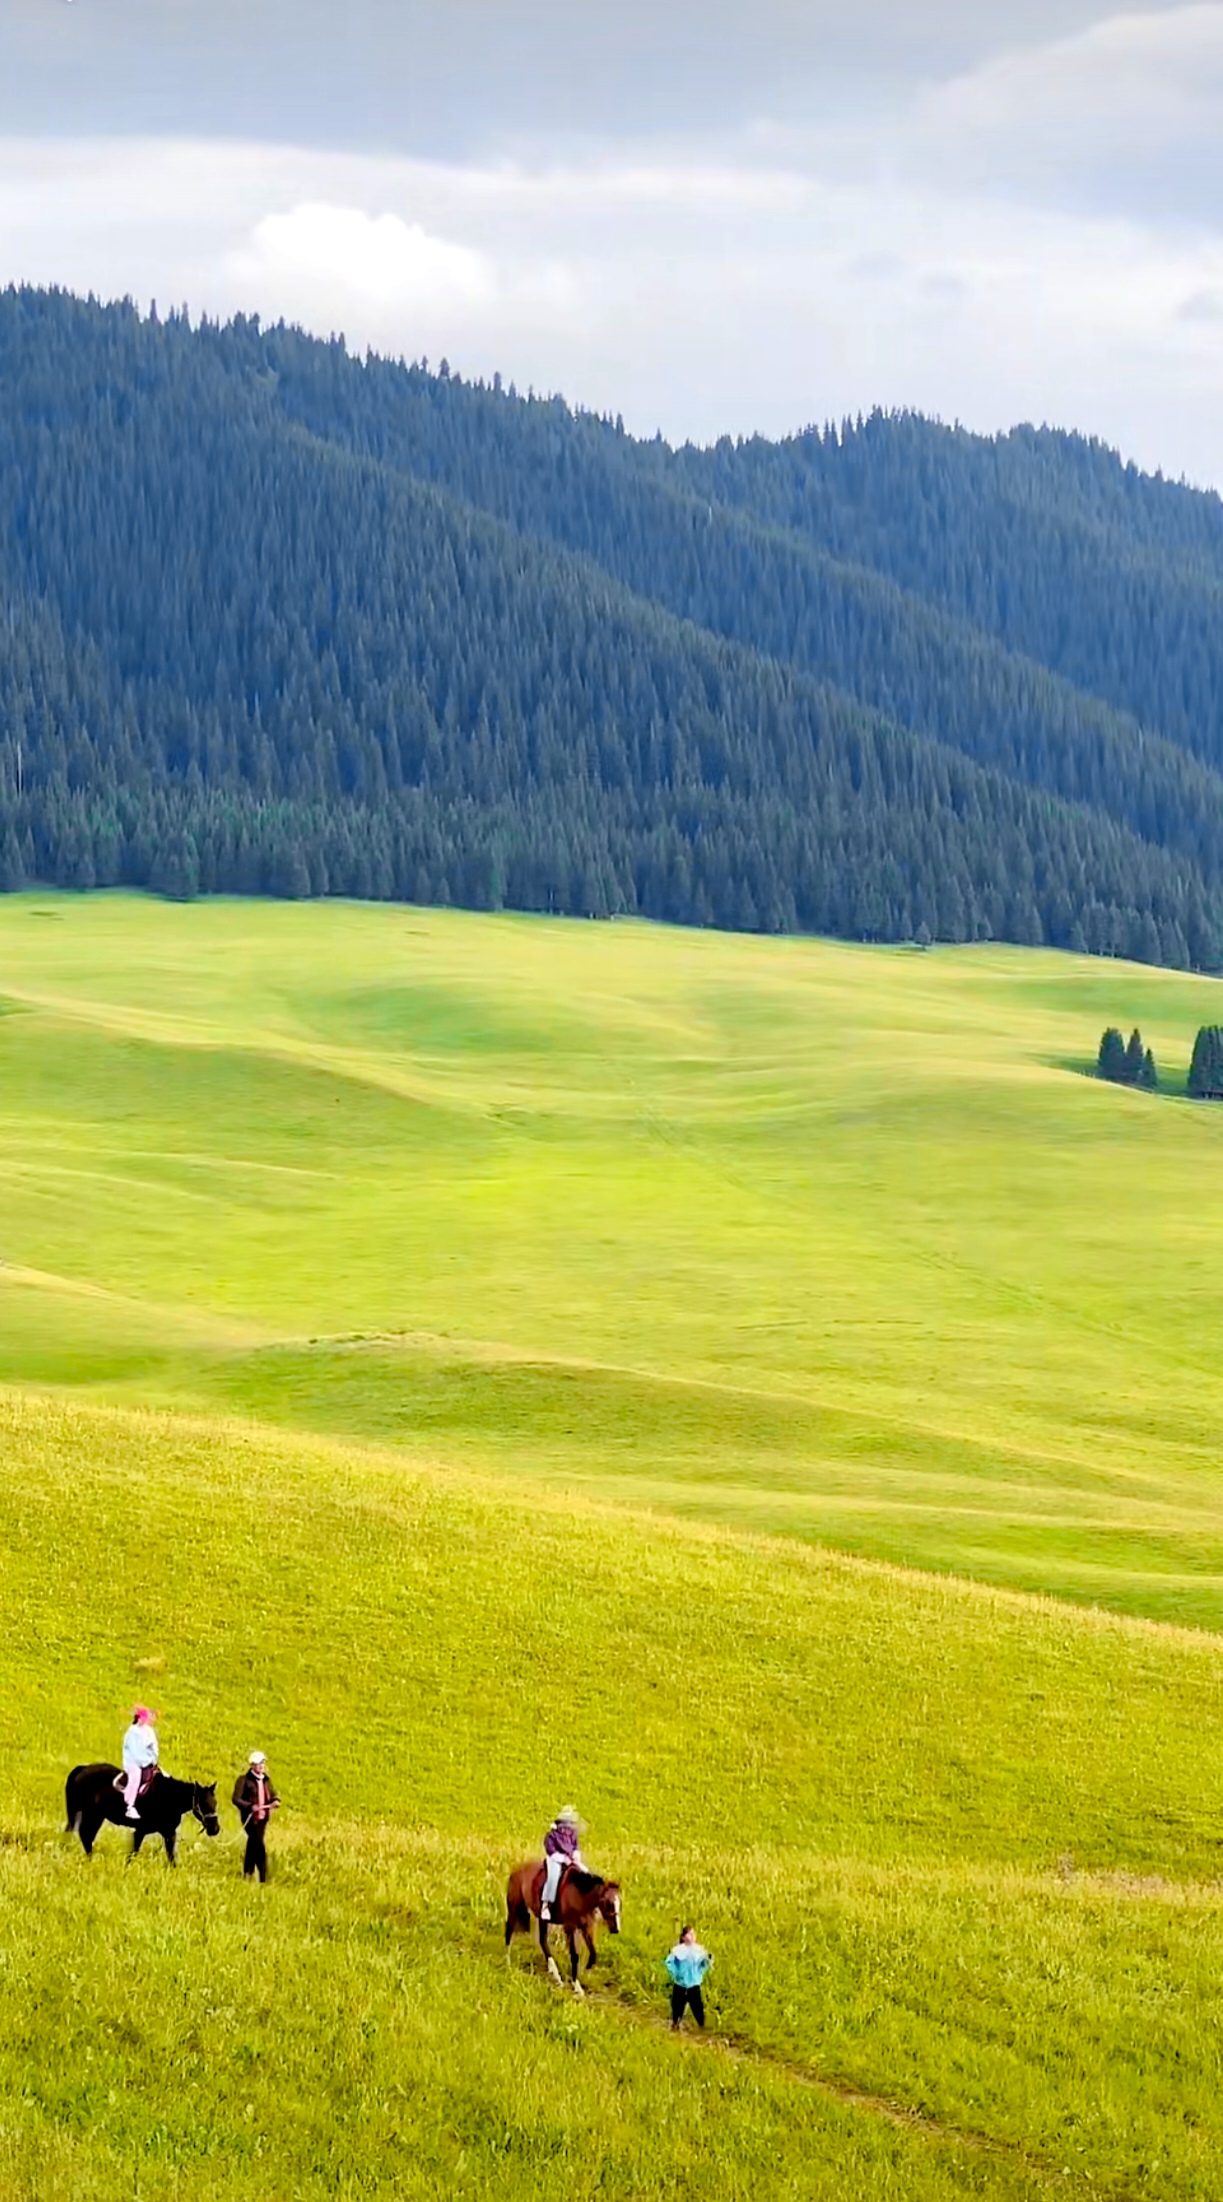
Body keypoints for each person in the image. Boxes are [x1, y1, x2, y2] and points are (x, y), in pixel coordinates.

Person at [232, 1750, 280, 1882]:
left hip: (263, 1819)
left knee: (252, 1844)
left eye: (263, 1764)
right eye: (259, 1764)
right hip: (250, 1819)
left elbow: (273, 1794)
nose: (262, 1767)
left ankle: (247, 1873)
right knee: (259, 1845)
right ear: (253, 1765)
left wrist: (275, 1801)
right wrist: (249, 1806)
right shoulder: (244, 1780)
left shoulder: (266, 1780)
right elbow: (236, 1799)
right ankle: (263, 1877)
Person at [540, 1805, 585, 1922]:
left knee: (585, 1873)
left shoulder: (572, 1834)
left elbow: (575, 1846)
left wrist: (576, 1855)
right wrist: (563, 1859)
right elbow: (551, 1851)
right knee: (553, 1878)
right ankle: (546, 1905)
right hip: (555, 1859)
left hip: (570, 1859)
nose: (568, 1826)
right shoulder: (552, 1835)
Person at [665, 1925, 712, 2031]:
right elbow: (669, 1963)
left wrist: (707, 1960)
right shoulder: (677, 1950)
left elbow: (703, 1964)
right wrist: (675, 1973)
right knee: (677, 2007)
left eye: (693, 1934)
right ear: (683, 1937)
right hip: (680, 1983)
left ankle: (701, 2025)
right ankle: (675, 2024)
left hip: (694, 1983)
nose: (692, 1936)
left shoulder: (699, 1950)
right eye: (689, 1934)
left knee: (697, 2007)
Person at [120, 1706, 159, 1821]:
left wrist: (153, 1758)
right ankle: (129, 1806)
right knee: (135, 1777)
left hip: (148, 1760)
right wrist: (144, 1760)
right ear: (138, 1718)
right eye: (143, 1718)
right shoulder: (132, 1732)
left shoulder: (149, 1731)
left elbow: (154, 1746)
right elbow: (134, 1750)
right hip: (133, 1761)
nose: (145, 1721)